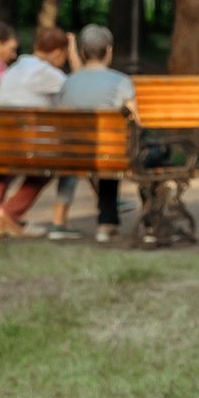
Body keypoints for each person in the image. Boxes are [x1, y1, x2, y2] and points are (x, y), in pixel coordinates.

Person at [0, 25, 72, 236]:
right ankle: (7, 212)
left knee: (14, 157)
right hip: (27, 145)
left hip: (3, 142)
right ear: (58, 53)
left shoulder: (15, 68)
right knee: (50, 165)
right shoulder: (47, 73)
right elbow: (78, 91)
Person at [55, 24, 137, 243]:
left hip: (72, 151)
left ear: (82, 53)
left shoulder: (69, 81)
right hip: (108, 153)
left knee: (105, 149)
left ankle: (104, 223)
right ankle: (107, 223)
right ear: (108, 51)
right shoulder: (121, 81)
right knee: (113, 149)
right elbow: (134, 121)